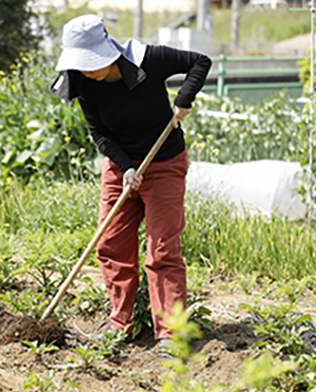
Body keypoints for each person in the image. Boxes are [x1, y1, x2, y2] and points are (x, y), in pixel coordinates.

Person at [50, 14, 211, 351]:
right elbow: (100, 134)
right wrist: (125, 168)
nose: (88, 71)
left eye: (91, 62)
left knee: (163, 249)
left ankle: (170, 333)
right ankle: (122, 322)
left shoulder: (149, 60)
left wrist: (184, 100)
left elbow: (200, 62)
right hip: (121, 167)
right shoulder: (81, 83)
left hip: (164, 163)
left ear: (107, 50)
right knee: (111, 243)